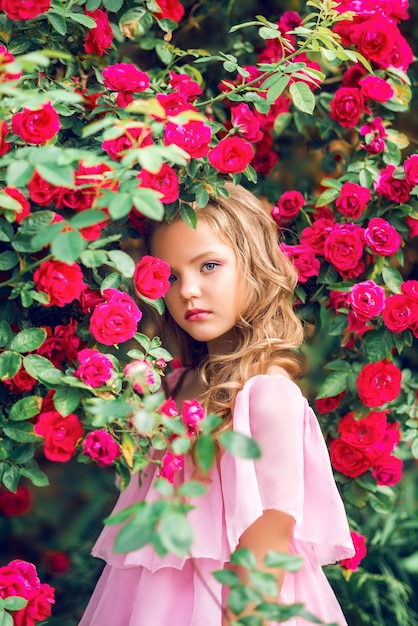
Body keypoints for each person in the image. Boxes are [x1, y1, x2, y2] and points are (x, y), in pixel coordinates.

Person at [79, 182, 355, 626]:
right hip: (152, 603)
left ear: (254, 266)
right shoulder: (173, 388)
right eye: (171, 276)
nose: (188, 290)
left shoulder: (266, 394)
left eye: (209, 265)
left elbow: (262, 562)